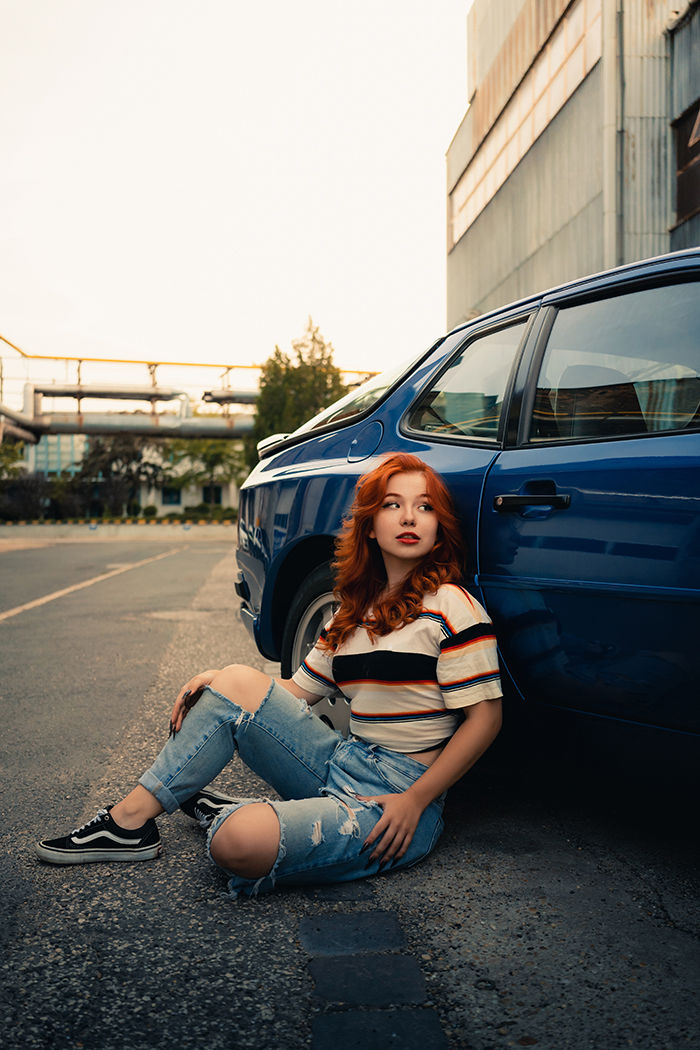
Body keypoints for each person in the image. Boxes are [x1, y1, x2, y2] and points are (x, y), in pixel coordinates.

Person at [36, 453, 503, 897]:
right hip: (340, 761)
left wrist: (417, 800)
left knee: (233, 844)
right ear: (369, 527)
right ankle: (128, 823)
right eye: (392, 505)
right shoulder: (351, 611)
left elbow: (486, 720)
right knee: (236, 679)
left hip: (398, 798)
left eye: (424, 507)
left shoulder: (451, 606)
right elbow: (297, 692)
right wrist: (218, 680)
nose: (408, 518)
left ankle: (238, 815)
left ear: (439, 527)